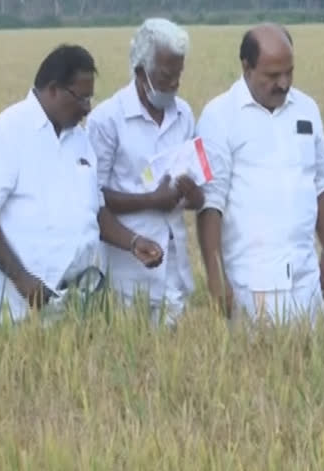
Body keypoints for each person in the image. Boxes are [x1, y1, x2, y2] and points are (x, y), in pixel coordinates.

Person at [0, 44, 164, 325]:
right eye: (81, 98)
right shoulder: (7, 133)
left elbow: (94, 211)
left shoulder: (81, 140)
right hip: (19, 306)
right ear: (53, 89)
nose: (87, 108)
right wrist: (21, 278)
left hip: (77, 304)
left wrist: (133, 242)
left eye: (90, 98)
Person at [195, 23, 324, 328]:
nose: (283, 83)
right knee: (257, 372)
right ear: (246, 67)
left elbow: (323, 184)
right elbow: (211, 205)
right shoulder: (219, 116)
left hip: (306, 279)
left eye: (289, 72)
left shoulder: (307, 109)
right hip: (251, 283)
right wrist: (216, 278)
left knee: (315, 367)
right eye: (272, 76)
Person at [86, 18, 203, 327]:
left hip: (174, 266)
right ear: (140, 72)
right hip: (126, 270)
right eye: (166, 76)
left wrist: (193, 195)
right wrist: (152, 200)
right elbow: (91, 198)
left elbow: (199, 190)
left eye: (179, 75)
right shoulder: (107, 120)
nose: (175, 84)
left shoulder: (184, 114)